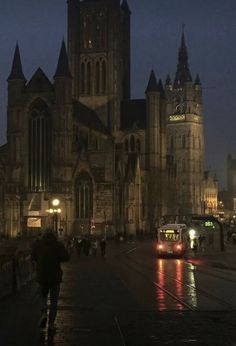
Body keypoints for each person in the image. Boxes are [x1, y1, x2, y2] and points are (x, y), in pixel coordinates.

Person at [31, 228, 69, 330]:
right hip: (55, 277)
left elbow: (33, 257)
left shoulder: (38, 244)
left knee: (42, 297)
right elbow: (66, 257)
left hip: (42, 276)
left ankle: (43, 312)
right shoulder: (58, 244)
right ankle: (51, 323)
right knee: (54, 301)